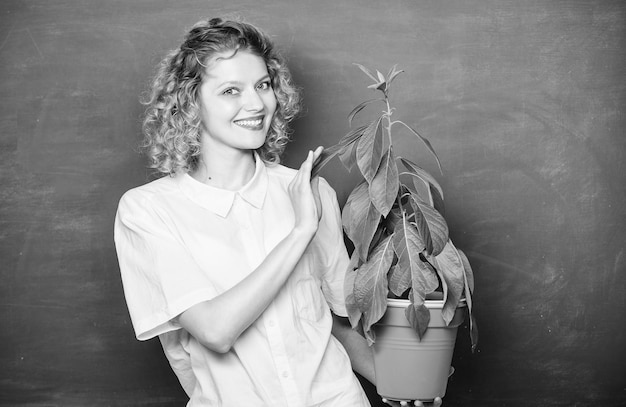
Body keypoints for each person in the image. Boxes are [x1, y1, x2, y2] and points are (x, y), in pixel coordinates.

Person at [114, 17, 442, 407]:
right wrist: (300, 230)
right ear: (189, 102)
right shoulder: (149, 210)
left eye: (263, 85)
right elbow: (215, 331)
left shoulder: (308, 190)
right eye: (230, 90)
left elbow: (335, 322)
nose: (255, 104)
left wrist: (399, 383)